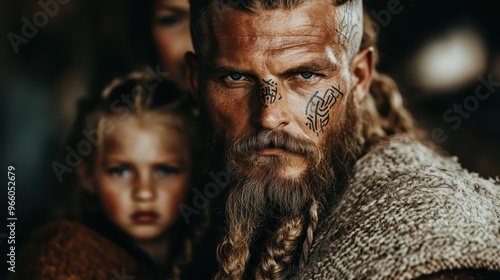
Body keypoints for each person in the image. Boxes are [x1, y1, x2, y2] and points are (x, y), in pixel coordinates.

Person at [184, 0, 500, 279]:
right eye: (236, 77)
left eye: (305, 75)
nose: (268, 115)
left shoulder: (435, 234)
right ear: (196, 82)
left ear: (359, 77)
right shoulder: (184, 203)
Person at [16, 72, 207, 280]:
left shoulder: (217, 254)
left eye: (165, 170)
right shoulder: (61, 265)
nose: (144, 192)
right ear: (88, 176)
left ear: (195, 172)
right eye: (121, 171)